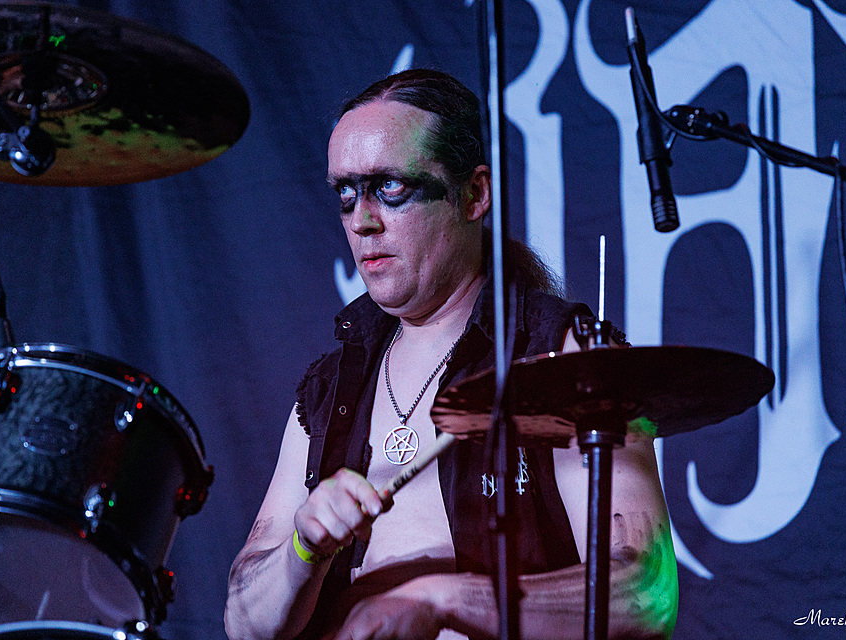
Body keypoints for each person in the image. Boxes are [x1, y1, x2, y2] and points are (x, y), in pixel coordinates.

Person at [224, 69, 677, 640]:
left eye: (391, 187)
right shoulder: (331, 386)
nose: (362, 220)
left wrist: (441, 599)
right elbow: (243, 624)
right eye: (345, 193)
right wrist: (302, 549)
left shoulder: (564, 356)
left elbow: (643, 595)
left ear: (474, 194)